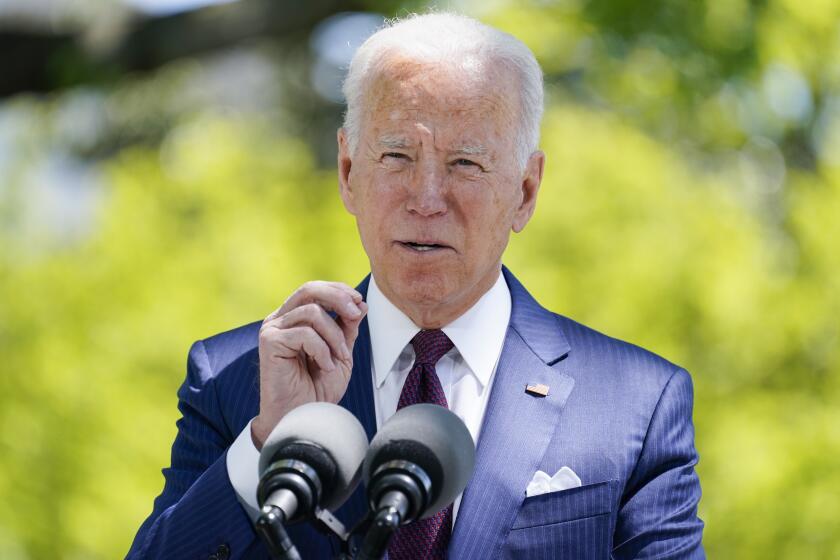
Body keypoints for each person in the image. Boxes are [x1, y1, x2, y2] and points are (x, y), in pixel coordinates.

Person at [127, 12, 704, 560]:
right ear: (349, 173)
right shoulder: (236, 378)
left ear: (525, 191)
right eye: (397, 155)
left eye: (465, 164)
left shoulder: (635, 404)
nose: (426, 199)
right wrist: (270, 441)